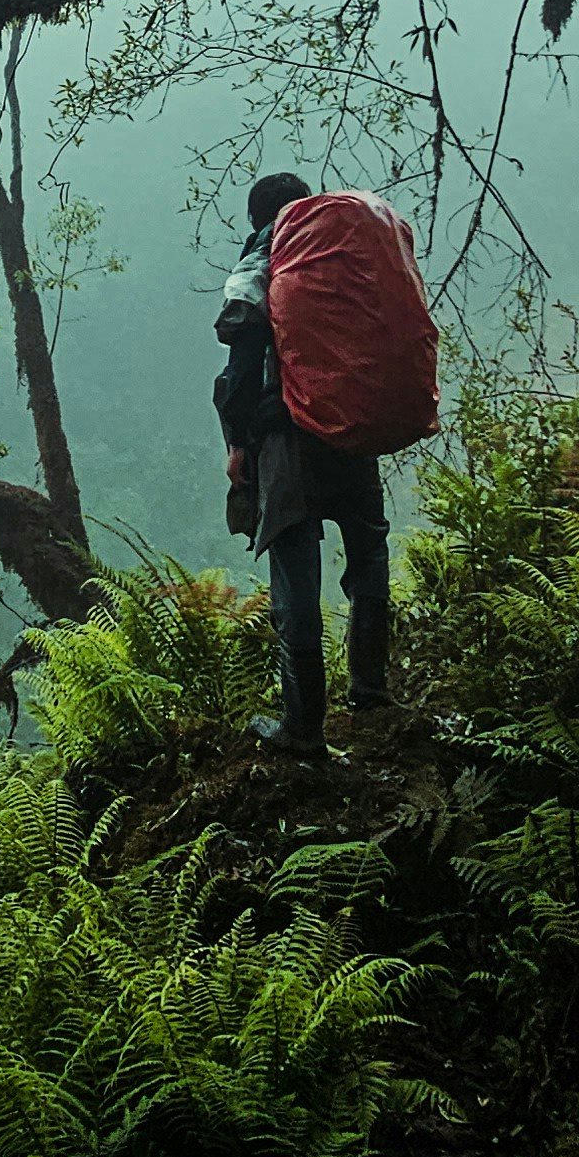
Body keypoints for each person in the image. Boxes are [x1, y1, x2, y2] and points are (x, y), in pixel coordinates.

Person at [214, 169, 395, 744]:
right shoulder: (343, 259)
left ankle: (303, 725)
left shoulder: (266, 258)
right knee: (367, 553)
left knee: (296, 577)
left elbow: (240, 372)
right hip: (353, 424)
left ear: (257, 217)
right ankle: (370, 691)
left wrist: (237, 443)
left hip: (288, 438)